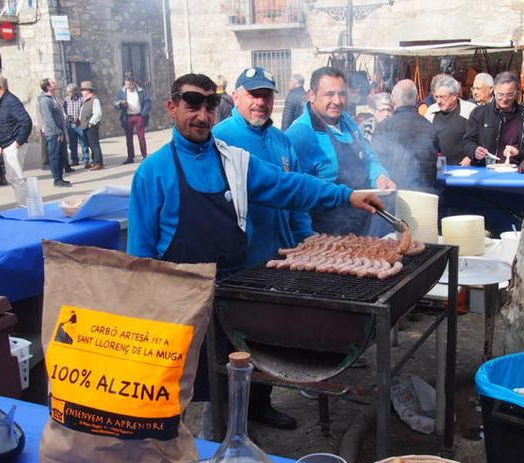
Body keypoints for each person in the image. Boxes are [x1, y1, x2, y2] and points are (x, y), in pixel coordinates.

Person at [128, 73, 384, 425]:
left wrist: (346, 195)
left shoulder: (233, 161)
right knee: (179, 387)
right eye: (192, 104)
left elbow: (288, 186)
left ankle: (234, 439)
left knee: (236, 370)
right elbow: (139, 255)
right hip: (181, 298)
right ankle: (179, 447)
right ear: (172, 107)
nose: (202, 114)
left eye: (209, 105)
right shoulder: (152, 173)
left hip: (233, 291)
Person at [212, 66, 314, 430]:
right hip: (243, 261)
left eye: (267, 94)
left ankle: (260, 405)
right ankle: (226, 420)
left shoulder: (282, 140)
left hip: (280, 258)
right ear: (237, 96)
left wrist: (306, 239)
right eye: (253, 94)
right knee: (235, 342)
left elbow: (298, 193)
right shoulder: (221, 138)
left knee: (269, 337)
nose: (260, 102)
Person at [286, 66, 396, 236]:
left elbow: (368, 157)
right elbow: (294, 192)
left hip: (361, 227)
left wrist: (379, 175)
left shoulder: (346, 121)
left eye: (342, 94)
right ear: (312, 95)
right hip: (325, 235)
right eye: (329, 94)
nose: (337, 101)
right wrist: (306, 236)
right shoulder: (301, 133)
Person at [371, 79, 439, 193]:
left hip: (394, 196)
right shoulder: (429, 126)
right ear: (417, 99)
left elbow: (376, 162)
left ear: (393, 99)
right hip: (425, 194)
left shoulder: (384, 126)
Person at [462, 71, 524, 167]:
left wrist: (518, 154)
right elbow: (467, 142)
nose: (504, 99)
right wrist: (474, 151)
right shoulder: (479, 113)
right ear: (494, 91)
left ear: (516, 93)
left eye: (509, 95)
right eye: (500, 94)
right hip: (486, 170)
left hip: (515, 171)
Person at [0, 74, 33, 206]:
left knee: (17, 178)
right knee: (12, 178)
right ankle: (24, 204)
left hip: (14, 143)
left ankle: (25, 206)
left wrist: (18, 141)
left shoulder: (11, 100)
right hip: (6, 143)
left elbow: (26, 121)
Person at [424, 74, 476, 165]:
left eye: (443, 97)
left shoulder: (470, 111)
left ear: (455, 95)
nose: (439, 101)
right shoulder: (432, 111)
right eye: (436, 97)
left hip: (463, 169)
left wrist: (471, 156)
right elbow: (424, 137)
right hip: (437, 167)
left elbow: (481, 138)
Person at [38, 78, 71, 188]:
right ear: (47, 87)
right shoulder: (45, 100)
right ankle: (57, 179)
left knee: (62, 155)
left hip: (60, 132)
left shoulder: (54, 98)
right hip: (53, 133)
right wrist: (58, 132)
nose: (55, 83)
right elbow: (48, 119)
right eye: (52, 83)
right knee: (55, 156)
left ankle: (60, 178)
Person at [115, 76, 151, 164]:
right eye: (127, 85)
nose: (128, 87)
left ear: (133, 83)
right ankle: (130, 157)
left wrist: (143, 114)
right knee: (129, 138)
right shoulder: (122, 92)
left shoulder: (141, 91)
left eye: (130, 85)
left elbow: (148, 102)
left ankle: (144, 156)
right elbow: (116, 103)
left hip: (139, 116)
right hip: (127, 117)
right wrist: (121, 104)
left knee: (141, 137)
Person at [79, 81, 104, 171]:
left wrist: (91, 123)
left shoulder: (94, 100)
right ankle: (94, 161)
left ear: (89, 90)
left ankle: (98, 163)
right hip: (85, 125)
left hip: (91, 126)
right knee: (91, 144)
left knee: (94, 145)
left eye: (84, 90)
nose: (82, 92)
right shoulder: (85, 100)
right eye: (82, 90)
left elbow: (98, 113)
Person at [63, 83, 90, 167]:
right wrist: (66, 117)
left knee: (83, 142)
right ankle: (75, 160)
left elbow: (85, 110)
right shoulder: (66, 100)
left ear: (75, 91)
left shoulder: (81, 99)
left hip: (79, 123)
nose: (69, 93)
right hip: (70, 124)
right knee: (72, 143)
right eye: (68, 92)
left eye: (70, 91)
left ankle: (86, 160)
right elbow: (63, 109)